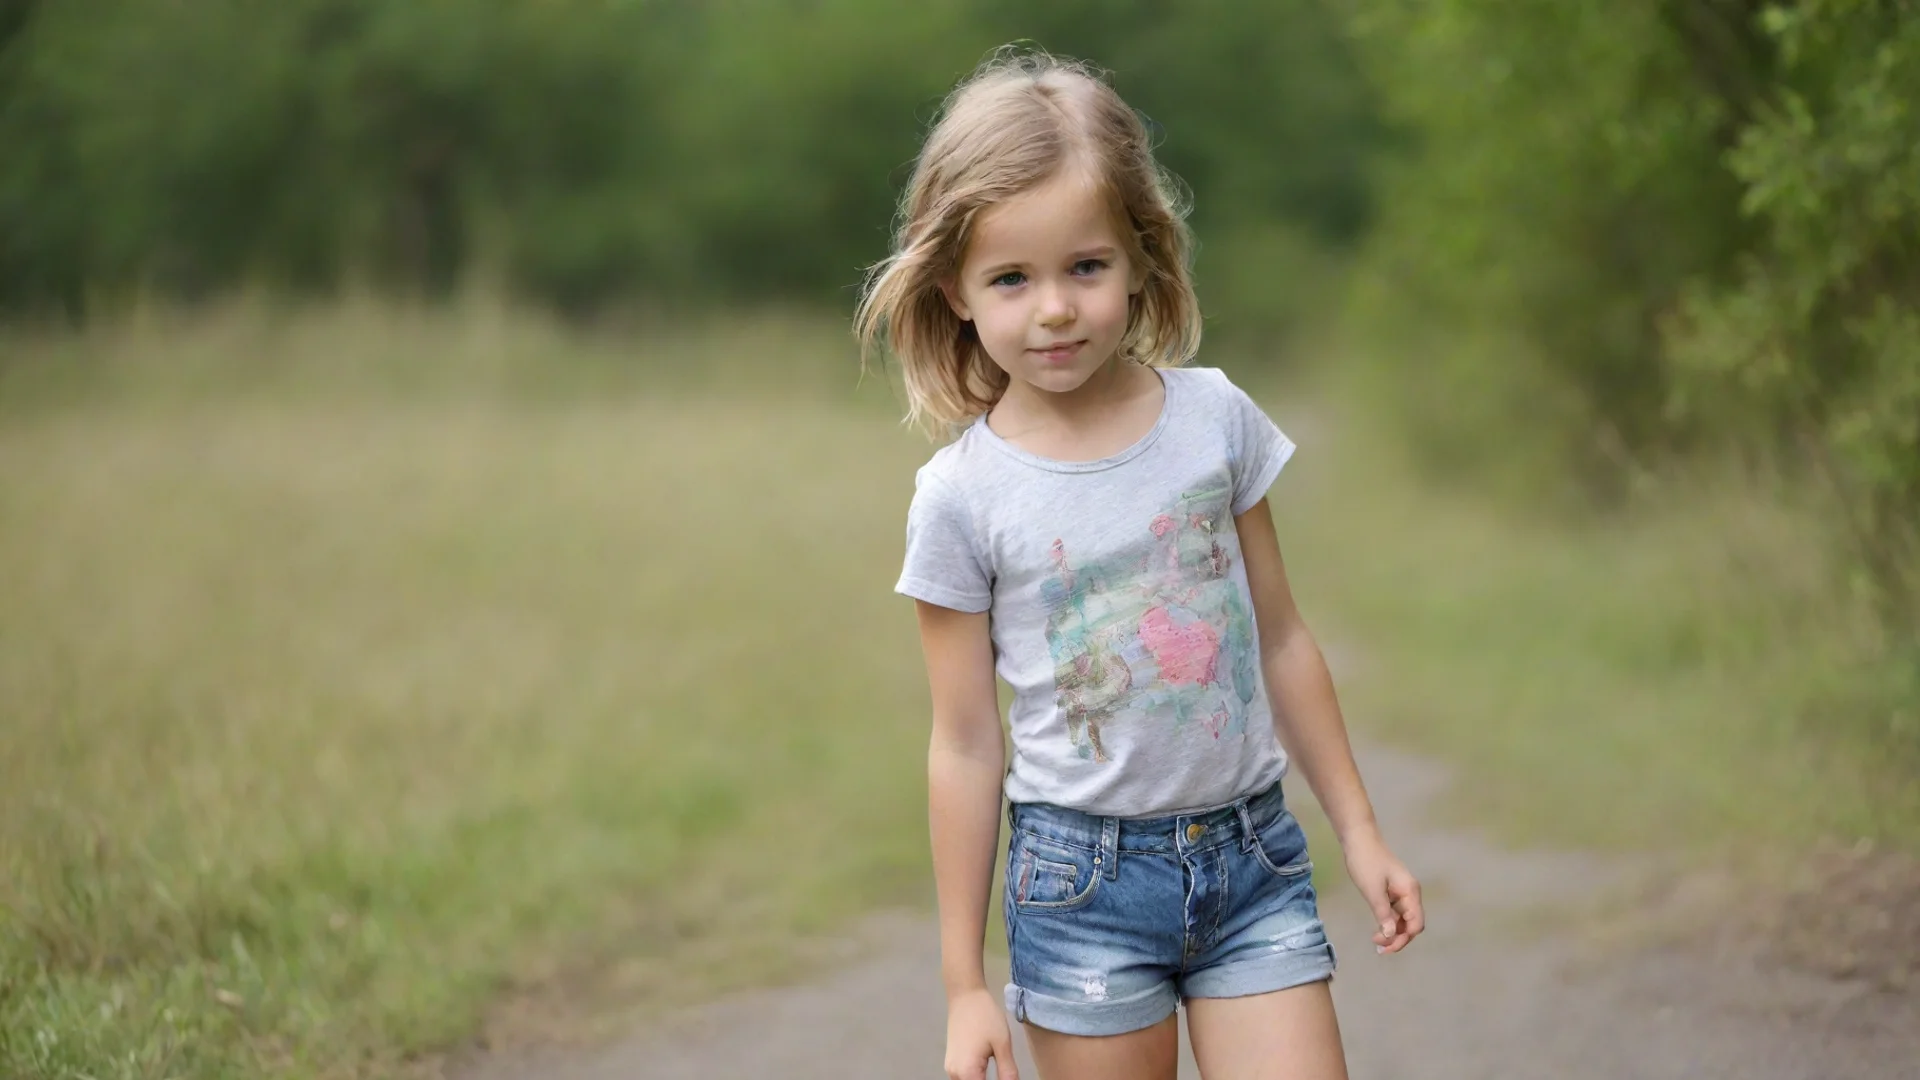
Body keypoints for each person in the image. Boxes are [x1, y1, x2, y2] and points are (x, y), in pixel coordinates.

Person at [854, 48, 1423, 1080]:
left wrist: (1362, 831)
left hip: (1253, 866)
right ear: (957, 291)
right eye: (1012, 279)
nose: (1056, 309)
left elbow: (1282, 635)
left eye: (1086, 267)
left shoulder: (1213, 421)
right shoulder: (961, 498)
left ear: (1141, 257)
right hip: (1081, 893)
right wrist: (963, 983)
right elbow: (967, 744)